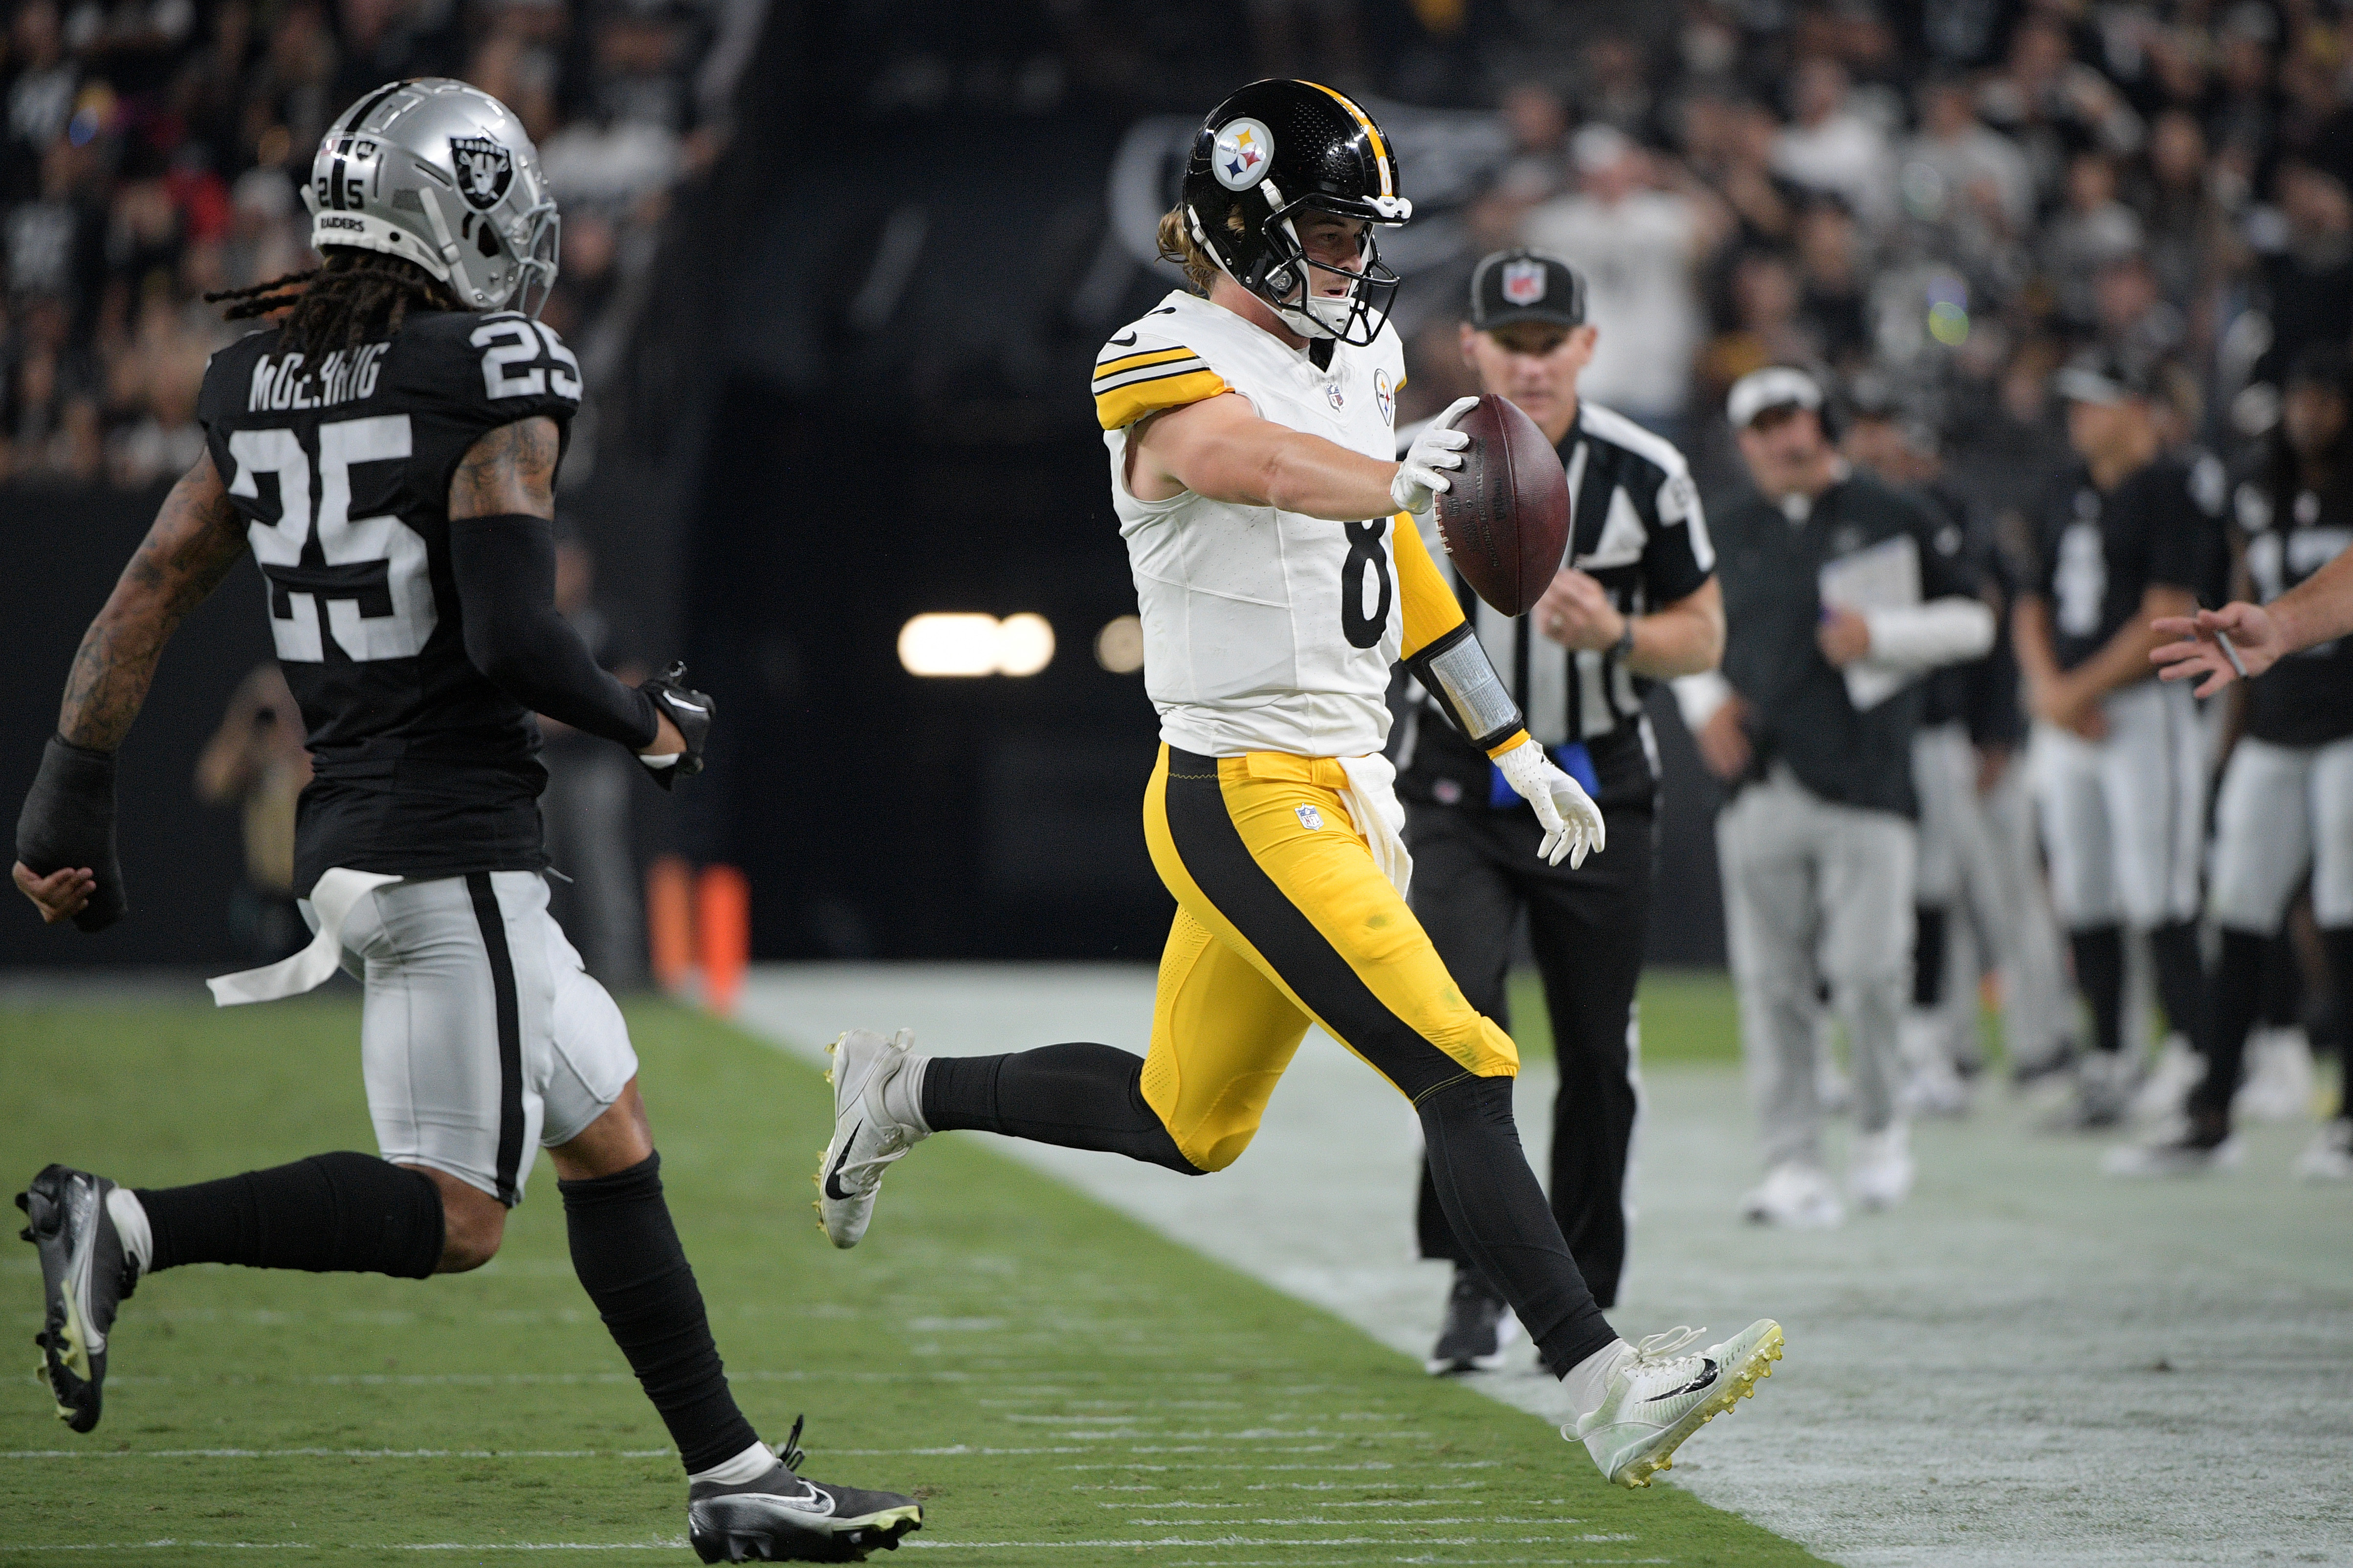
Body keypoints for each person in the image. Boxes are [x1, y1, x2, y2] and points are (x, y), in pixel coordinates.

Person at [810, 81, 1783, 1492]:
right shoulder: (1153, 354)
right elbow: (1239, 460)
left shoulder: (1363, 354)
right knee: (1465, 1056)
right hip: (1241, 784)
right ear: (1240, 223)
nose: (1350, 262)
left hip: (1351, 776)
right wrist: (1383, 471)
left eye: (1355, 234)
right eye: (1327, 231)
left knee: (1184, 1119)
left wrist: (1506, 740)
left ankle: (904, 1088)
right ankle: (1598, 1378)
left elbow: (1401, 573)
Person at [10, 80, 919, 1564]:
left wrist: (71, 792)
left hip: (368, 825)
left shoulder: (262, 381)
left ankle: (732, 1475)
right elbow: (509, 636)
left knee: (607, 1134)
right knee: (460, 1213)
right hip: (445, 839)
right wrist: (651, 723)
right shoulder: (490, 366)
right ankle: (126, 1226)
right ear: (454, 217)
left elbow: (146, 594)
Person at [1392, 249, 1724, 1375]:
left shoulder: (1643, 471)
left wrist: (1620, 638)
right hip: (1452, 781)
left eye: (1549, 344)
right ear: (1470, 347)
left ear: (1584, 345)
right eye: (1508, 344)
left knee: (1596, 1051)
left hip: (1598, 778)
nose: (1529, 366)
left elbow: (1704, 633)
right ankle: (1473, 1278)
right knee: (1458, 1037)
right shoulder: (1408, 468)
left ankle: (1578, 1290)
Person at [1683, 367, 1994, 1228]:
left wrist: (1883, 635)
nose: (1784, 440)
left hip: (1866, 775)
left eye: (1795, 421)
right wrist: (1705, 707)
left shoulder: (1893, 512)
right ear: (1744, 443)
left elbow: (1975, 621)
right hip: (1761, 779)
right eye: (1764, 427)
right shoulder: (1727, 525)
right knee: (1771, 983)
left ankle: (1881, 1128)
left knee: (1866, 973)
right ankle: (1789, 1162)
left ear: (1822, 425)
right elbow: (1686, 633)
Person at [2136, 346, 2353, 1179]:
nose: (2308, 411)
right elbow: (2240, 585)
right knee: (2237, 913)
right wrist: (2229, 734)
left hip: (2345, 726)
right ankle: (2210, 1109)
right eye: (2298, 394)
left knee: (2341, 918)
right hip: (2272, 724)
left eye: (2323, 394)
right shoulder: (2256, 486)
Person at [2013, 351, 2221, 1133]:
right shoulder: (2063, 488)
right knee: (2086, 893)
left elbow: (2165, 613)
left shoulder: (2172, 488)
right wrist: (2047, 690)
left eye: (2097, 403)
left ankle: (2197, 1061)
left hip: (2144, 714)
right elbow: (2029, 601)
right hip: (2071, 716)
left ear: (2138, 408)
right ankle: (2109, 1062)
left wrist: (2074, 691)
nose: (2080, 419)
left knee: (2159, 890)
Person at [194, 662, 314, 966]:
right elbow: (212, 783)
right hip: (271, 892)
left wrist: (294, 727)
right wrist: (245, 714)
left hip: (312, 889)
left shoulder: (311, 752)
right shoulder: (256, 758)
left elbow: (310, 788)